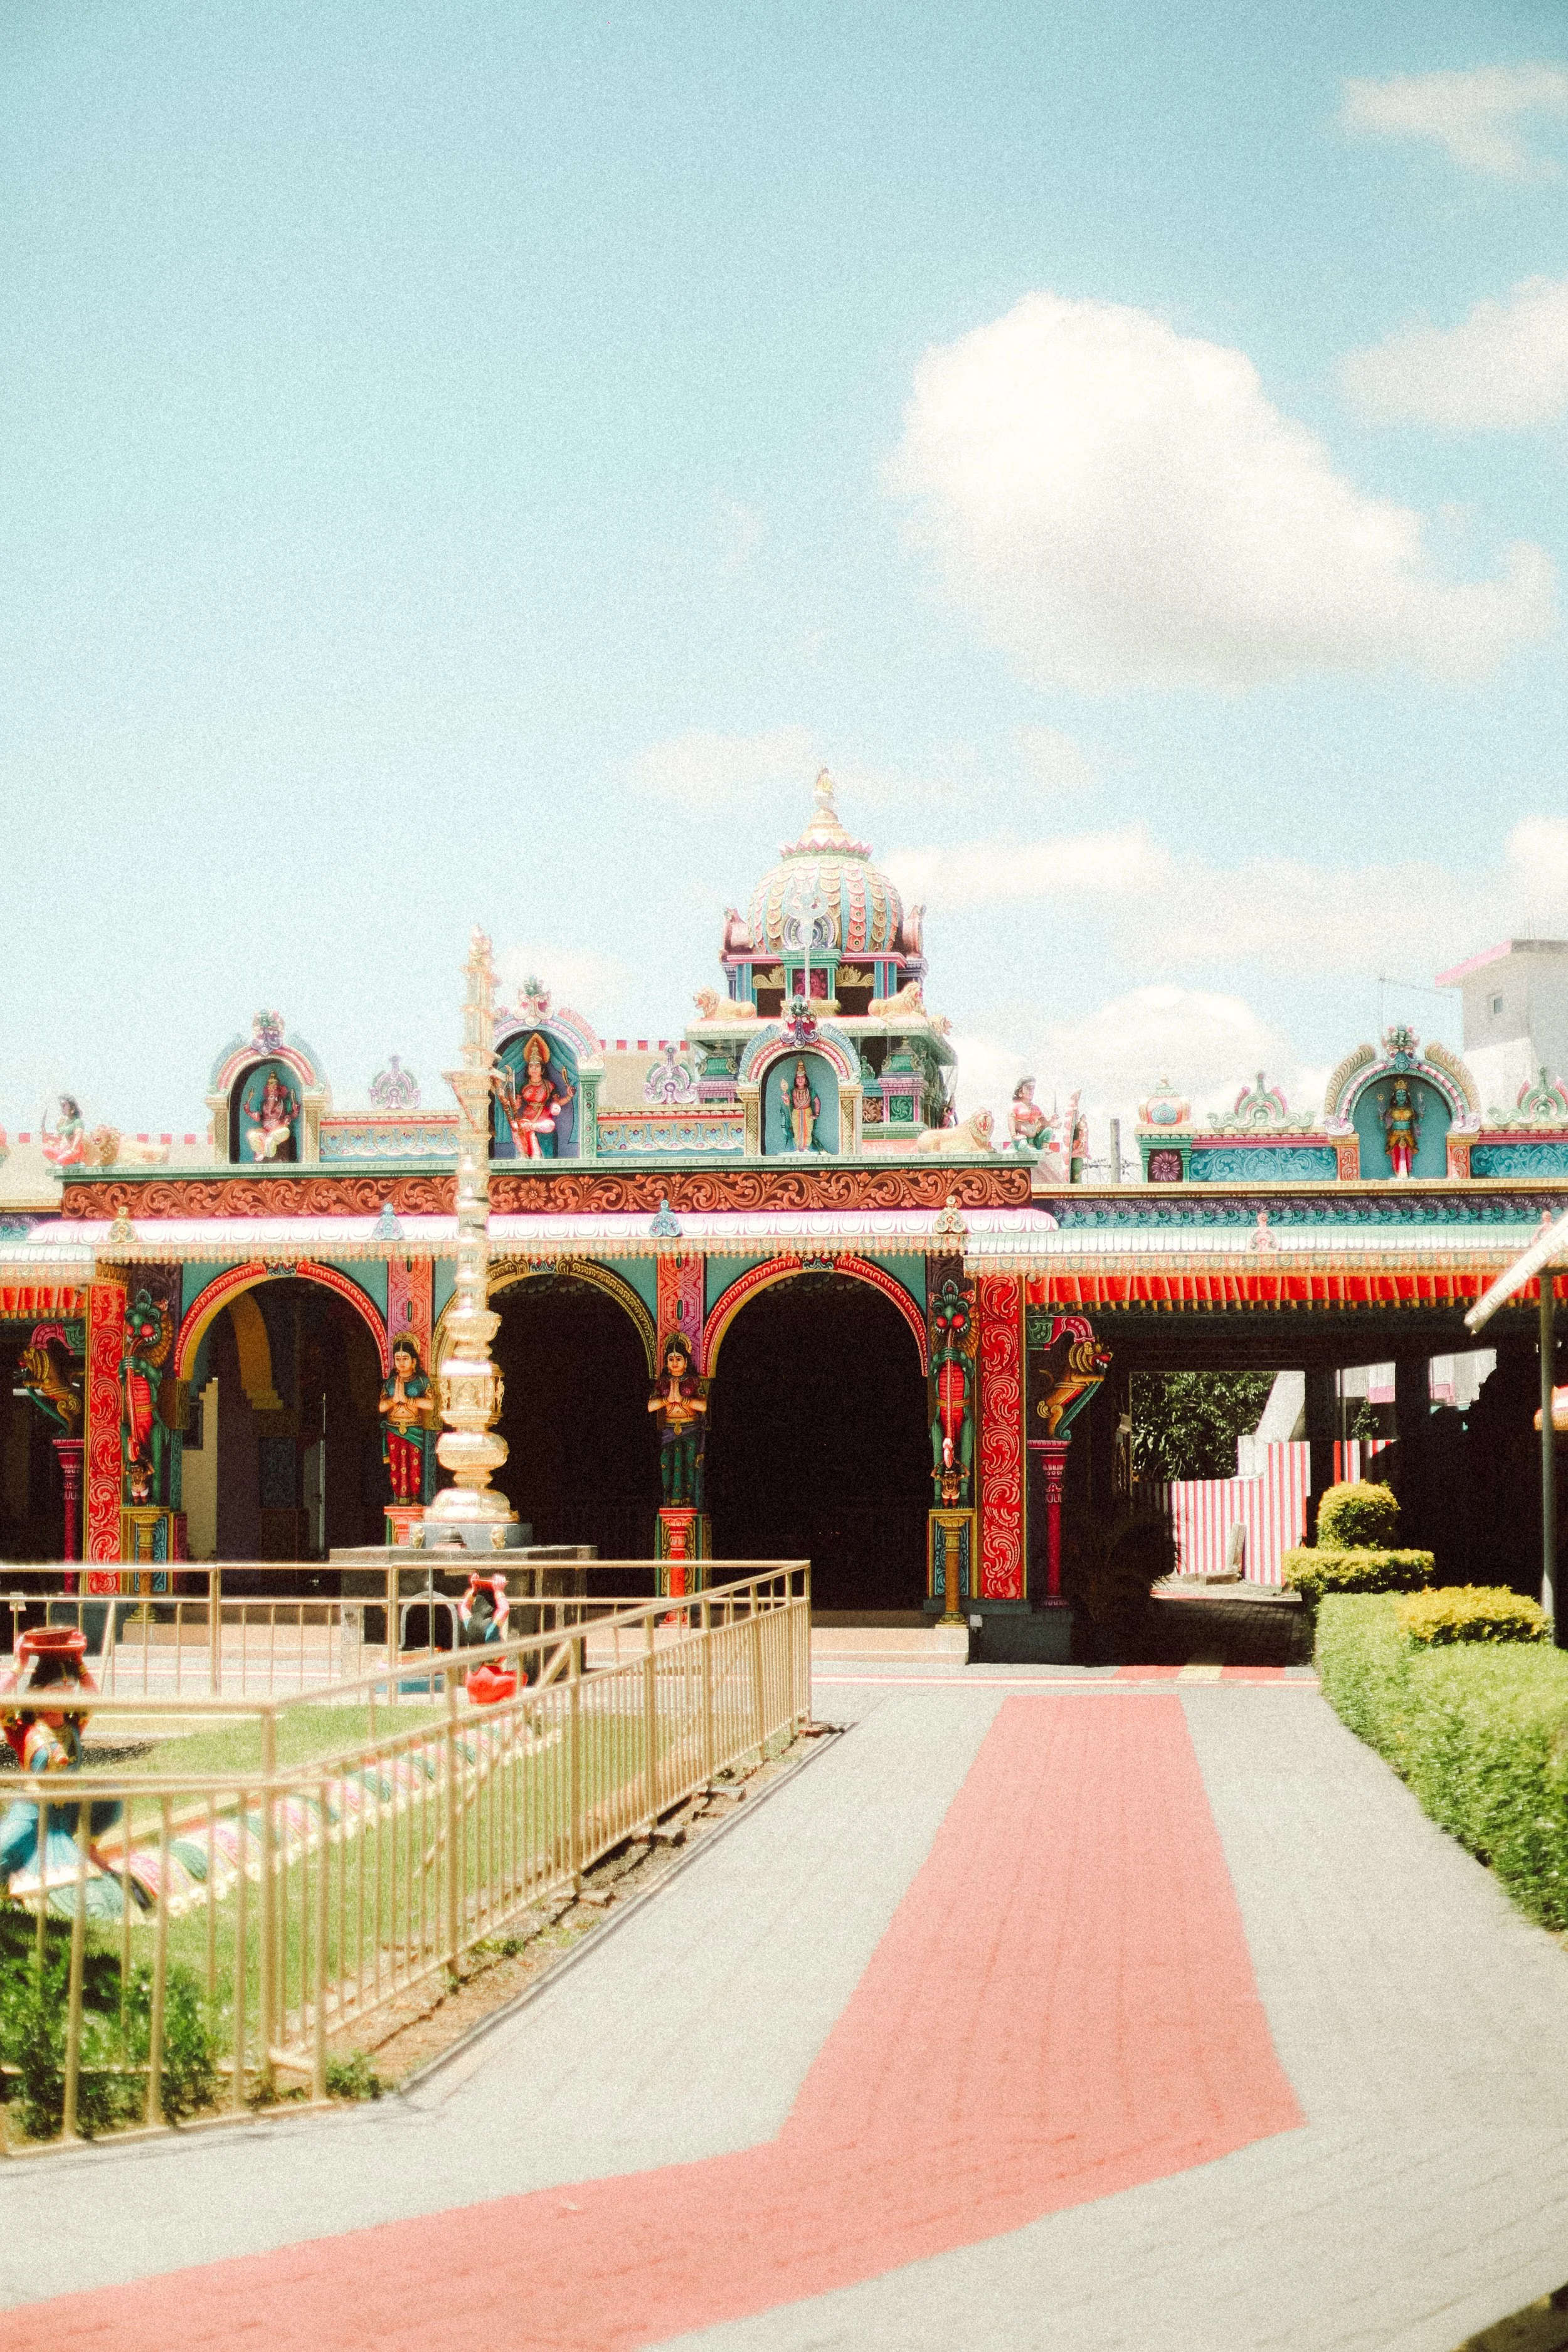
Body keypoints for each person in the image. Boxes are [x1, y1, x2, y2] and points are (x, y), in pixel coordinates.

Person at [0, 1628, 120, 1895]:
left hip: (68, 1810)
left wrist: (79, 1662)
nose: (65, 1694)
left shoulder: (74, 1725)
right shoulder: (22, 1730)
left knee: (111, 1793)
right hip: (33, 1812)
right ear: (38, 1693)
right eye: (57, 1689)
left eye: (69, 1689)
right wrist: (19, 1665)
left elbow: (93, 1697)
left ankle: (89, 1850)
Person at [647, 1332, 707, 1507]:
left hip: (690, 1427)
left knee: (688, 1463)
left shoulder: (693, 1381)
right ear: (666, 1362)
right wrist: (666, 1400)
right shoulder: (663, 1382)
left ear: (686, 1362)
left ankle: (687, 1500)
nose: (675, 1363)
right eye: (671, 1359)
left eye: (679, 1359)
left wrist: (685, 1400)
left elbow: (703, 1406)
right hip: (669, 1428)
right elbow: (651, 1406)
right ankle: (670, 1500)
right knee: (668, 1462)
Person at [496, 1034, 574, 1158]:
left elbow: (556, 1102)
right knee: (517, 1126)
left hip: (543, 1116)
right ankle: (524, 1154)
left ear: (542, 1070)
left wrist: (568, 1098)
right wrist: (513, 1103)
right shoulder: (523, 1085)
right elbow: (517, 1104)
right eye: (531, 1066)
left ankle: (537, 1154)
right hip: (526, 1116)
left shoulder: (549, 1085)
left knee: (550, 1126)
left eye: (537, 1066)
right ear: (527, 1069)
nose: (534, 1069)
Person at [379, 1335, 436, 1506]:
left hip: (414, 1429)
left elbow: (431, 1404)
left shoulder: (421, 1381)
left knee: (413, 1465)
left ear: (414, 1361)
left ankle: (414, 1499)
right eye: (398, 1359)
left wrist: (408, 1400)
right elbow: (381, 1407)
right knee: (397, 1465)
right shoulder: (390, 1383)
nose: (401, 1363)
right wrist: (394, 1400)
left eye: (405, 1359)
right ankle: (399, 1498)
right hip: (394, 1427)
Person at [245, 1068, 297, 1161]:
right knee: (252, 1135)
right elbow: (257, 1118)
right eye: (270, 1089)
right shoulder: (262, 1104)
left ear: (279, 1091)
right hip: (265, 1132)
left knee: (284, 1132)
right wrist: (248, 1111)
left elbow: (293, 1116)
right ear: (267, 1091)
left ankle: (267, 1152)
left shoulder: (285, 1104)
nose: (272, 1091)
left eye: (275, 1089)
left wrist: (295, 1112)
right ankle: (261, 1152)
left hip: (278, 1132)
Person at [1382, 1078, 1419, 1179]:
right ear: (1395, 1097)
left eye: (1403, 1095)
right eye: (1399, 1095)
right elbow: (1386, 1126)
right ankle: (1398, 1174)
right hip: (1395, 1135)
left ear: (1407, 1097)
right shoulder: (1391, 1111)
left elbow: (1416, 1123)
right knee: (1396, 1154)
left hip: (1408, 1135)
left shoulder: (1411, 1110)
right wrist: (1383, 1117)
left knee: (1408, 1154)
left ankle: (1407, 1174)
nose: (1401, 1098)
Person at [780, 1057, 819, 1151]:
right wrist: (786, 1101)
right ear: (796, 1080)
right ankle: (798, 1148)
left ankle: (806, 1147)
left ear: (806, 1080)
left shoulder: (810, 1091)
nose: (800, 1080)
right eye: (798, 1078)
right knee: (797, 1130)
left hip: (808, 1112)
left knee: (808, 1130)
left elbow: (817, 1102)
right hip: (796, 1113)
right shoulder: (792, 1091)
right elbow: (789, 1103)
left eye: (803, 1078)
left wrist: (816, 1115)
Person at [40, 1096, 86, 1168]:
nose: (62, 1109)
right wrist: (47, 1135)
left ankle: (71, 1163)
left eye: (64, 1106)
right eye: (62, 1106)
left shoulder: (78, 1122)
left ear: (73, 1108)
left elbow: (78, 1136)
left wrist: (73, 1150)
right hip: (63, 1152)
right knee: (46, 1150)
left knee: (61, 1159)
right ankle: (61, 1163)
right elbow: (59, 1138)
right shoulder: (66, 1123)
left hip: (73, 1153)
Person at [1009, 1078, 1047, 1151]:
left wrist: (1052, 1122)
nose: (1031, 1091)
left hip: (1034, 1140)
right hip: (1021, 1139)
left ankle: (1045, 1147)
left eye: (1033, 1088)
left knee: (1048, 1130)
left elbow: (1044, 1121)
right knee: (1023, 1145)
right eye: (1028, 1088)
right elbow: (1011, 1120)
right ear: (1020, 1091)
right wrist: (1014, 1135)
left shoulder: (1036, 1108)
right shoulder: (1016, 1106)